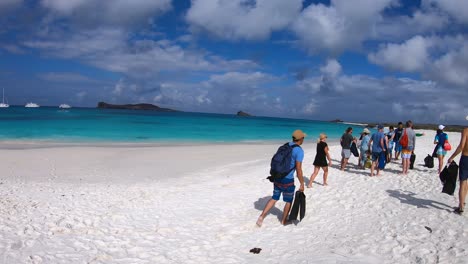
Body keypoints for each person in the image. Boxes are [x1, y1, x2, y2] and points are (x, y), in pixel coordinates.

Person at [257, 130, 306, 226]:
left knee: (274, 197)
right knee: (289, 200)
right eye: (303, 137)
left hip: (277, 177)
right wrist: (302, 183)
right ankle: (283, 221)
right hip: (287, 180)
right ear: (301, 139)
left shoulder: (286, 145)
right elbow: (299, 169)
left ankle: (261, 216)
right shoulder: (299, 151)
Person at [447, 127, 468, 214]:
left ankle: (461, 207)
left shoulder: (466, 130)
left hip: (466, 158)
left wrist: (452, 157)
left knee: (463, 182)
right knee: (466, 182)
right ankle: (463, 202)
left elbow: (461, 146)